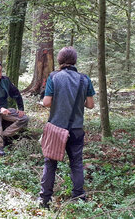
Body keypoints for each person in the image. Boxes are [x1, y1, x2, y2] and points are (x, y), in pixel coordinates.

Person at [38, 46, 95, 208]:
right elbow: (90, 104)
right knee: (76, 164)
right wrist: (77, 102)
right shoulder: (85, 79)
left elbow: (47, 102)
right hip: (76, 130)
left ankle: (44, 200)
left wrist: (51, 102)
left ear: (60, 60)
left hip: (56, 129)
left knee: (50, 164)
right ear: (75, 60)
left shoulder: (54, 77)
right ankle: (79, 198)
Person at [0, 61, 29, 156]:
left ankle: (3, 136)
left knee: (24, 118)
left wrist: (20, 108)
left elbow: (16, 93)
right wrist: (0, 109)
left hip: (4, 109)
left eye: (0, 71)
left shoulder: (5, 81)